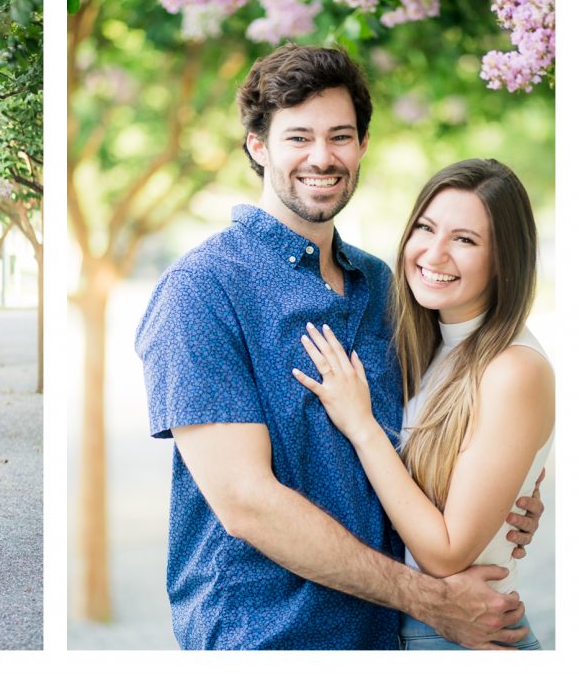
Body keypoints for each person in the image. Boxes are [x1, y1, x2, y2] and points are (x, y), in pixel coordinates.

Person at [134, 44, 544, 649]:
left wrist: (512, 498)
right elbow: (247, 504)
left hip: (389, 638)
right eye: (298, 137)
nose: (322, 158)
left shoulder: (384, 286)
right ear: (257, 146)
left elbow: (452, 418)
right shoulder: (203, 291)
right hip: (269, 637)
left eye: (340, 136)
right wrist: (427, 598)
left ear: (363, 146)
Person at [293, 159, 553, 649]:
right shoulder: (432, 345)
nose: (434, 254)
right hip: (416, 630)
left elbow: (446, 553)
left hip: (466, 635)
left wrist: (361, 425)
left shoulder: (513, 369)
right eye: (427, 228)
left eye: (465, 240)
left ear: (505, 261)